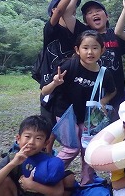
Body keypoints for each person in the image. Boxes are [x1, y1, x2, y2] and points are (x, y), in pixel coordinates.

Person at [40, 30, 116, 184]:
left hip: (87, 116)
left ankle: (87, 182)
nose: (90, 52)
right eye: (85, 48)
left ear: (102, 50)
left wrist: (103, 101)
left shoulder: (104, 73)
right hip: (65, 113)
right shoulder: (69, 66)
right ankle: (46, 175)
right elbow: (44, 91)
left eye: (95, 48)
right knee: (72, 148)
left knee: (88, 149)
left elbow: (112, 91)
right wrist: (55, 83)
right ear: (77, 50)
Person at [79, 0, 125, 106]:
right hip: (91, 91)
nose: (95, 14)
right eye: (90, 13)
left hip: (117, 92)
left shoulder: (115, 34)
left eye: (98, 10)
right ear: (86, 21)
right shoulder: (83, 38)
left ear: (107, 17)